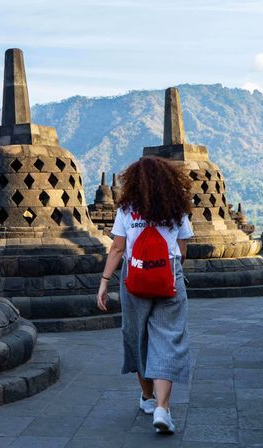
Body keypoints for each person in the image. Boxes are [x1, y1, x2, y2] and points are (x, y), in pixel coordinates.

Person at [97, 156, 193, 435]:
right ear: (168, 180)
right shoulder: (177, 210)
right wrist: (168, 271)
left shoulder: (127, 209)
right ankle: (164, 407)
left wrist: (104, 282)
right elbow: (183, 250)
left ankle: (148, 398)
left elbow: (116, 249)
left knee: (137, 336)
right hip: (169, 276)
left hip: (134, 278)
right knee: (168, 338)